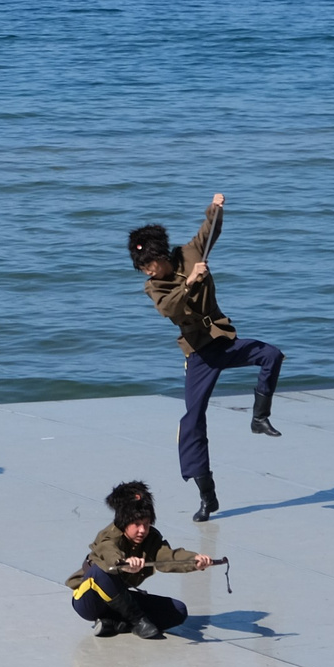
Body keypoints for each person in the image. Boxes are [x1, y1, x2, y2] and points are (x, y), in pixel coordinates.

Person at [130, 193, 285, 523]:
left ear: (161, 256)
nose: (146, 271)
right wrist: (191, 282)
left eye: (149, 264)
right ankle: (207, 496)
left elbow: (209, 230)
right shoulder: (154, 288)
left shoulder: (190, 253)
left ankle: (259, 418)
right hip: (199, 353)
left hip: (223, 340)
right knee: (192, 421)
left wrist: (215, 208)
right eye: (142, 267)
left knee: (272, 355)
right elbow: (170, 309)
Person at [68, 480, 215, 640]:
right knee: (100, 572)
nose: (142, 530)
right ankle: (137, 620)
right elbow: (109, 552)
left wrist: (194, 560)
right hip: (89, 600)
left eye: (146, 523)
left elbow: (168, 556)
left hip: (118, 600)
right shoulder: (109, 536)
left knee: (178, 611)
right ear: (124, 522)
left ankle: (115, 623)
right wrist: (123, 564)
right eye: (136, 524)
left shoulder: (151, 539)